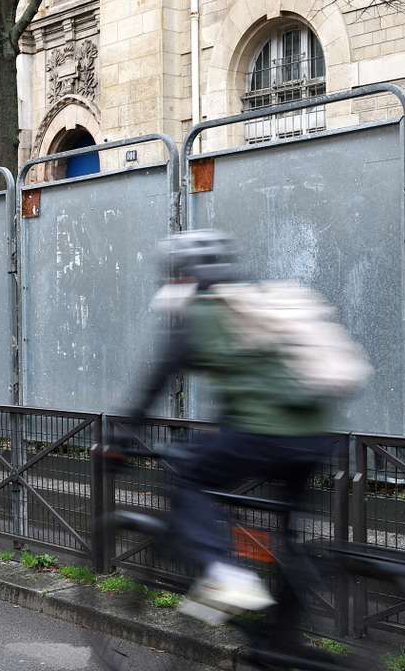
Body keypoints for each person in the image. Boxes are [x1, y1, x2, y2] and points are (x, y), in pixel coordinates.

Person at [122, 229, 342, 625]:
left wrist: (119, 436)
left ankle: (226, 574)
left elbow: (154, 383)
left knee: (186, 479)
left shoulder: (198, 313)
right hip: (317, 438)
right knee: (287, 538)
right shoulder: (256, 303)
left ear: (181, 273)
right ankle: (283, 639)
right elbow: (256, 381)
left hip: (263, 434)